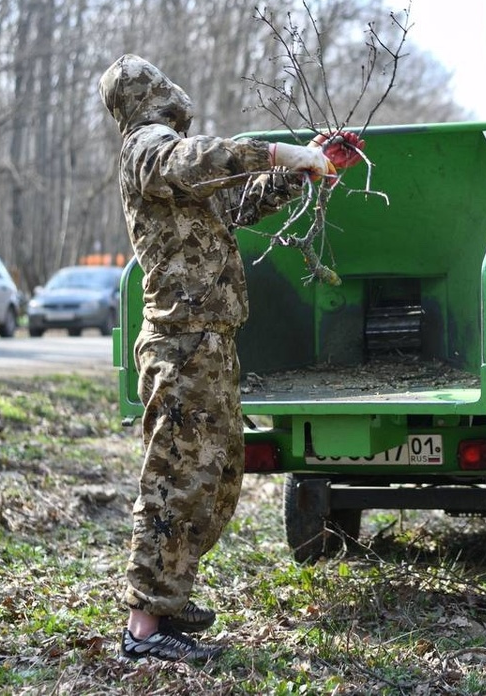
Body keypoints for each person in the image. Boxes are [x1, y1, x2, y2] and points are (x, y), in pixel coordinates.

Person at [98, 54, 363, 662]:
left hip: (211, 341)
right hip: (180, 343)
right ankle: (144, 628)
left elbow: (237, 205)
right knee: (174, 481)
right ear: (149, 95)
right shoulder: (146, 149)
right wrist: (275, 152)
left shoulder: (179, 178)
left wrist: (306, 168)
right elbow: (193, 159)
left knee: (214, 482)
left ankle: (169, 595)